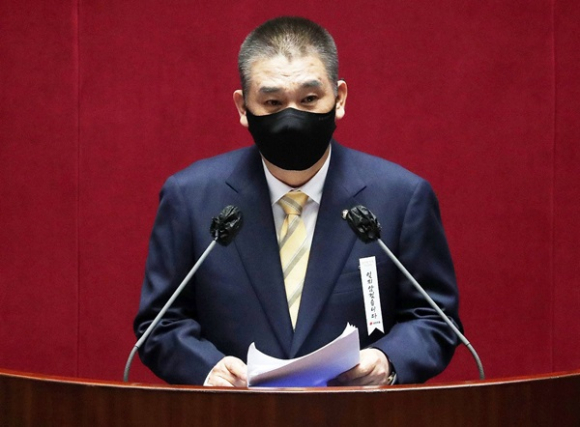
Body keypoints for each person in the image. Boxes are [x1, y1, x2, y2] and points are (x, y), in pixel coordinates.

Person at [134, 16, 461, 387]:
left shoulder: (401, 197)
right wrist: (208, 369)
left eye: (309, 99)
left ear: (339, 98)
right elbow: (160, 323)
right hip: (233, 410)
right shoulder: (190, 198)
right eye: (272, 102)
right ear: (243, 107)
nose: (291, 118)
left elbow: (436, 319)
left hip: (357, 411)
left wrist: (387, 359)